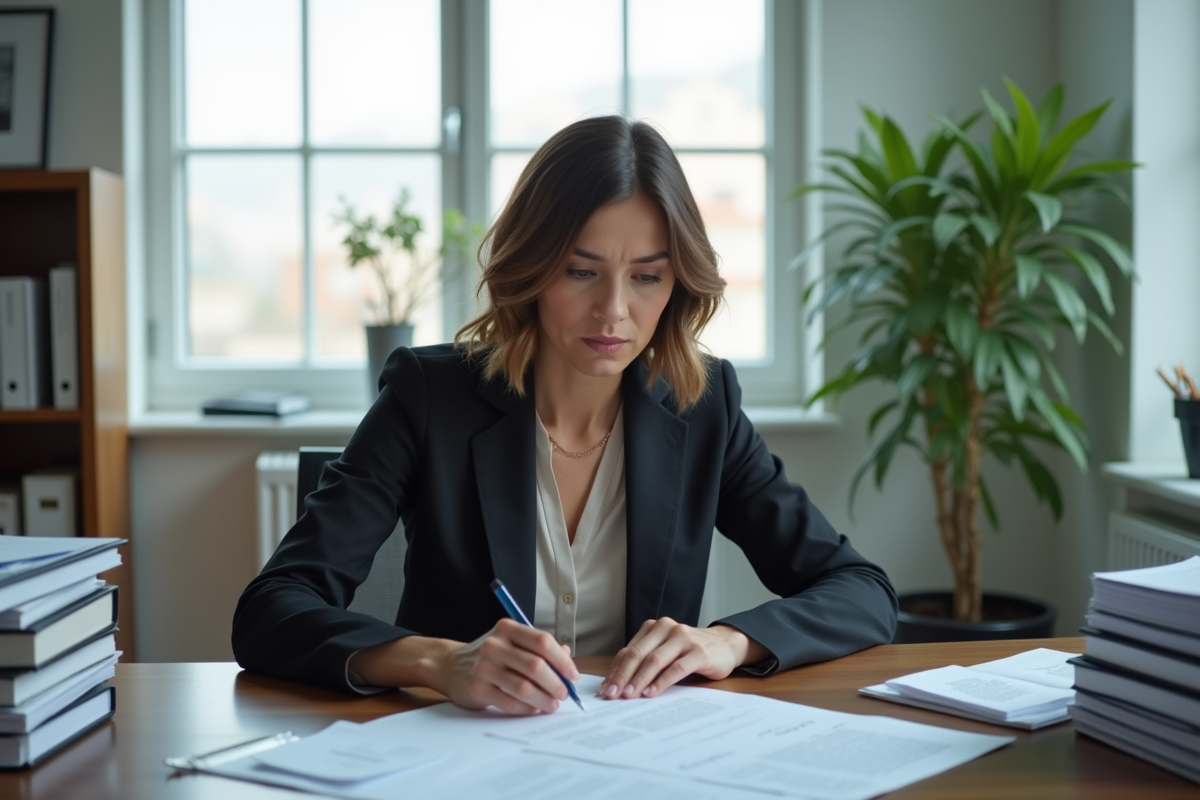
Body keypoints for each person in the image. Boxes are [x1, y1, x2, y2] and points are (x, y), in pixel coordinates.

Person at [232, 116, 897, 715]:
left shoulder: (704, 405)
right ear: (531, 269)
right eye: (581, 272)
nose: (613, 310)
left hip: (637, 762)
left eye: (646, 277)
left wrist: (731, 642)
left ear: (678, 286)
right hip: (462, 757)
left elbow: (861, 590)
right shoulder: (429, 395)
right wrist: (439, 661)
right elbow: (272, 608)